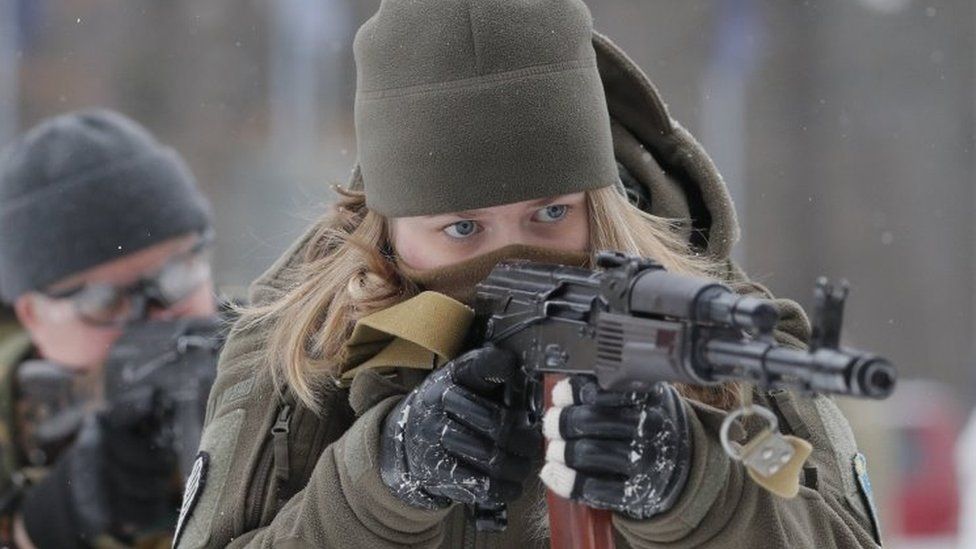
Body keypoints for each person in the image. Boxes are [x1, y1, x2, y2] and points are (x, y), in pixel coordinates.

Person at [174, 1, 882, 548]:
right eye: (462, 228)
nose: (512, 255)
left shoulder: (716, 324)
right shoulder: (296, 354)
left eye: (550, 212)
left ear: (599, 203)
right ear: (389, 230)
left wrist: (696, 485)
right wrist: (383, 479)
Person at [0, 109, 222, 548]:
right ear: (32, 314)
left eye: (177, 275)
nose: (157, 318)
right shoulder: (18, 421)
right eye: (103, 300)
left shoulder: (284, 352)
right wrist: (41, 526)